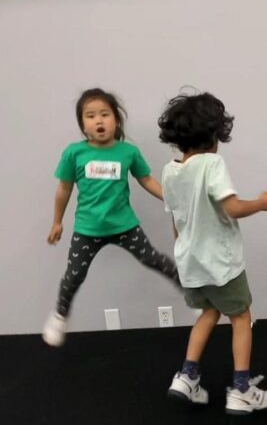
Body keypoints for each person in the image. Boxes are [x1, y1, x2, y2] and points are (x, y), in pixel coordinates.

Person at [158, 92, 267, 415]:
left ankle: (186, 376)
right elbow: (232, 207)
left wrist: (185, 253)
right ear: (214, 135)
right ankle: (240, 389)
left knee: (208, 313)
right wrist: (262, 203)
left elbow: (175, 219)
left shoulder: (170, 171)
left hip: (191, 262)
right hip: (221, 263)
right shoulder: (212, 164)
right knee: (241, 317)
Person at [42, 88, 180, 347]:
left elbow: (146, 180)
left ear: (116, 120)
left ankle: (191, 294)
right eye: (91, 115)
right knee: (74, 275)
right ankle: (60, 316)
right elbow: (64, 188)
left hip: (124, 226)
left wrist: (171, 199)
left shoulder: (127, 152)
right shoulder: (74, 153)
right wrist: (57, 221)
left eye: (104, 114)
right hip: (87, 229)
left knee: (152, 259)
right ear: (83, 124)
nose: (98, 120)